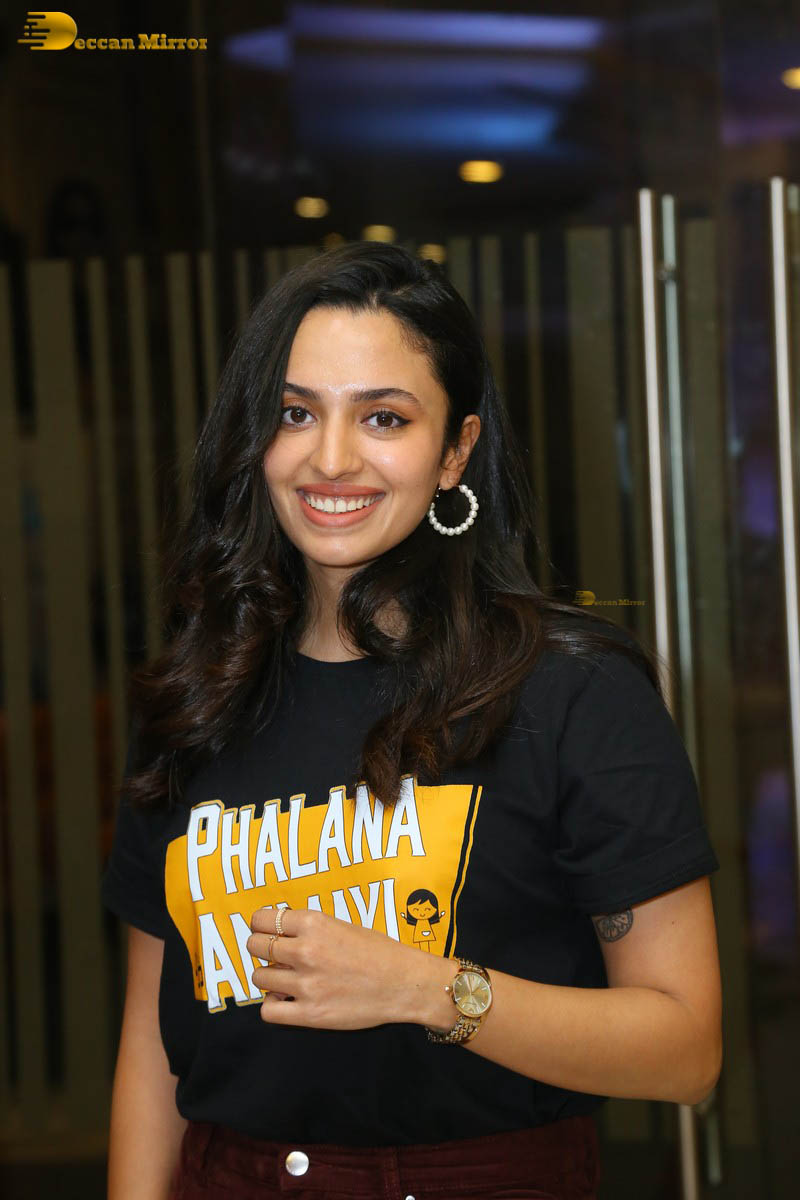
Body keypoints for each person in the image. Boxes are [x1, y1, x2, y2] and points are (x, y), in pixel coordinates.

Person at [102, 241, 722, 1200]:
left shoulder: (571, 693)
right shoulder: (199, 694)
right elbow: (153, 1047)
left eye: (383, 417)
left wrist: (422, 989)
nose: (331, 458)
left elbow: (685, 1051)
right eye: (295, 413)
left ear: (455, 451)